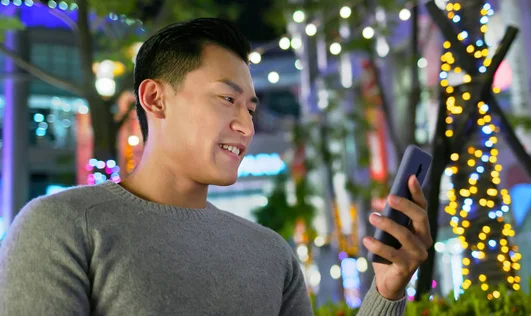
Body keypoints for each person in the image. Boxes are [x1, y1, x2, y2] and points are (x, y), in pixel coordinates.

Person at [0, 18, 432, 315]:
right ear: (155, 99)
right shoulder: (62, 225)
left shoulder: (271, 254)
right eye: (227, 99)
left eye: (251, 106)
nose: (245, 125)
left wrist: (387, 290)